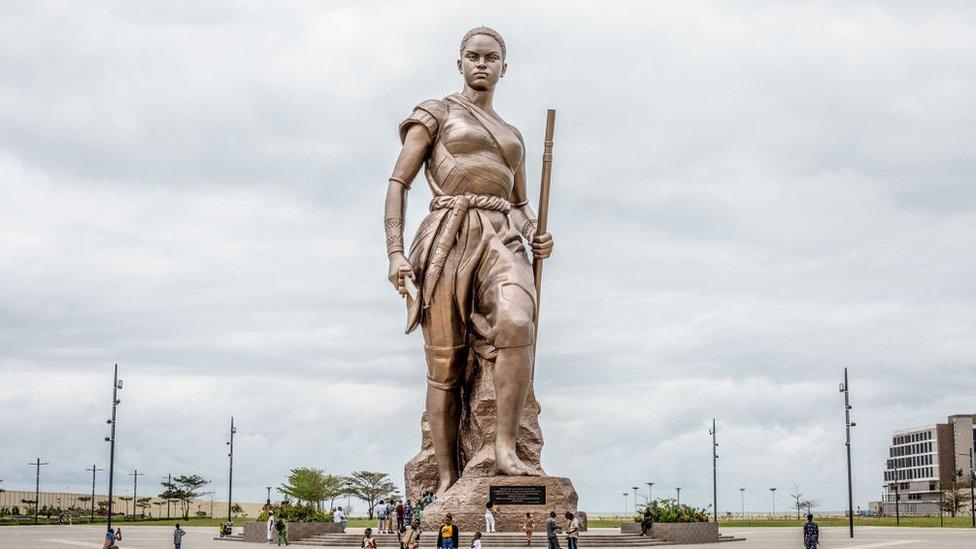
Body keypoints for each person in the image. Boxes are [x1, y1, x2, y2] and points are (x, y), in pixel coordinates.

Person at [384, 26, 555, 496]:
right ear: (459, 62)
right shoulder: (435, 114)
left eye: (492, 57)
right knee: (447, 365)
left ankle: (505, 448)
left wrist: (537, 234)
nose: (482, 63)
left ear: (504, 66)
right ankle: (444, 475)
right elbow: (399, 183)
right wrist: (396, 252)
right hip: (448, 237)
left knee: (518, 323)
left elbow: (520, 206)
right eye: (473, 56)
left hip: (502, 237)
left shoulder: (513, 136)